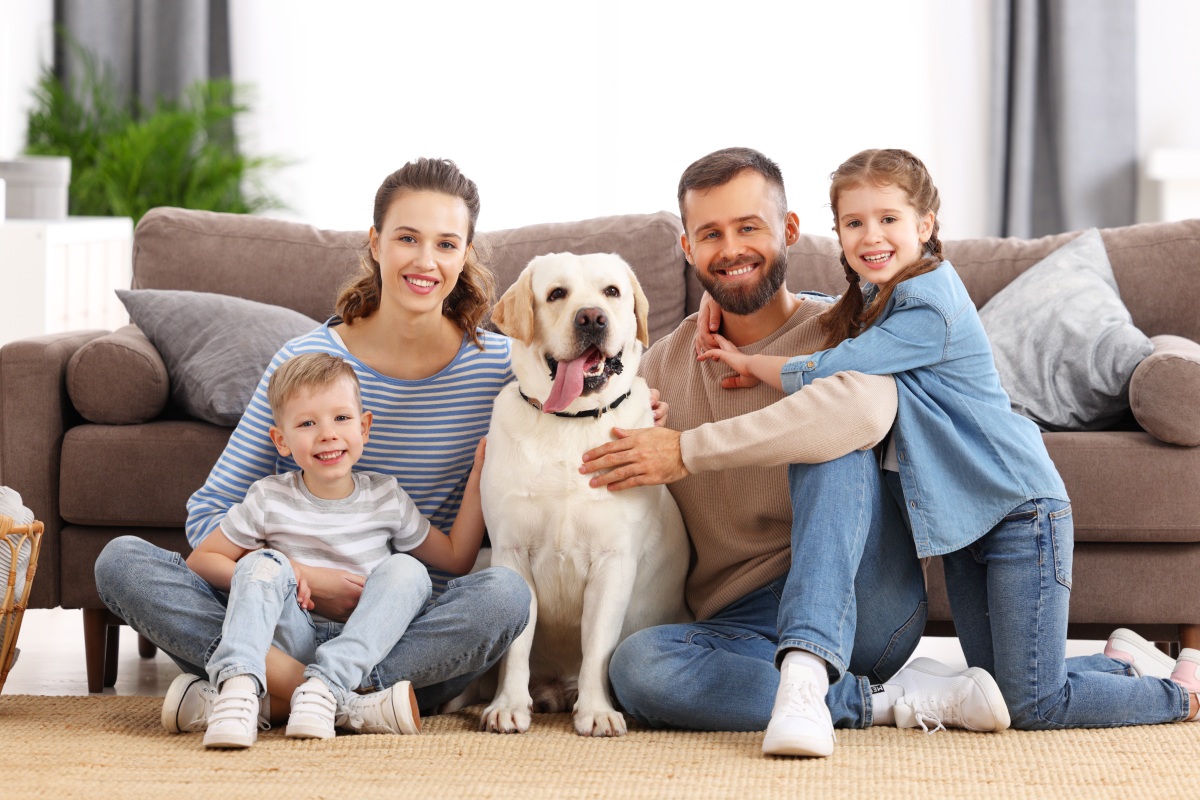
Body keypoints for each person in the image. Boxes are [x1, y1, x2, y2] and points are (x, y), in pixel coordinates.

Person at [696, 148, 1198, 751]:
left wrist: (750, 363)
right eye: (854, 223)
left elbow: (839, 364)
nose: (871, 236)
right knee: (1004, 681)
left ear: (925, 225)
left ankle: (1182, 694)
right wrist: (719, 295)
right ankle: (1122, 661)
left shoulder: (930, 299)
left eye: (888, 219)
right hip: (966, 527)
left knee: (1032, 704)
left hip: (1019, 513)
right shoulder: (878, 295)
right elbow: (826, 314)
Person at [580, 147, 1008, 758]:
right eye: (711, 234)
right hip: (744, 620)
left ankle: (823, 677)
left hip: (866, 601)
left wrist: (688, 451)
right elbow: (596, 449)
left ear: (789, 231)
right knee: (638, 669)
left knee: (829, 439)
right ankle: (882, 700)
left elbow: (864, 411)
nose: (732, 249)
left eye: (749, 227)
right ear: (687, 250)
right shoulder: (662, 367)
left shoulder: (847, 329)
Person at [95, 157, 531, 737]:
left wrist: (644, 403)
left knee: (504, 595)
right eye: (407, 238)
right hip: (275, 611)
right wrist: (295, 573)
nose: (426, 261)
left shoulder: (504, 368)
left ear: (465, 255)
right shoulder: (304, 366)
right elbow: (207, 518)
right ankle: (342, 700)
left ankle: (258, 690)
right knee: (122, 562)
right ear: (375, 243)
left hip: (403, 628)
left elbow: (589, 390)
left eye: (446, 244)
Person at [189, 352, 488, 748]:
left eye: (341, 418)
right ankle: (241, 687)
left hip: (368, 645)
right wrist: (287, 570)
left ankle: (309, 693)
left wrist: (480, 476)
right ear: (281, 440)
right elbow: (201, 560)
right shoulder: (268, 498)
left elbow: (455, 558)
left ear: (364, 427)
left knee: (413, 571)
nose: (327, 433)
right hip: (288, 638)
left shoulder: (386, 495)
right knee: (260, 562)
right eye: (307, 423)